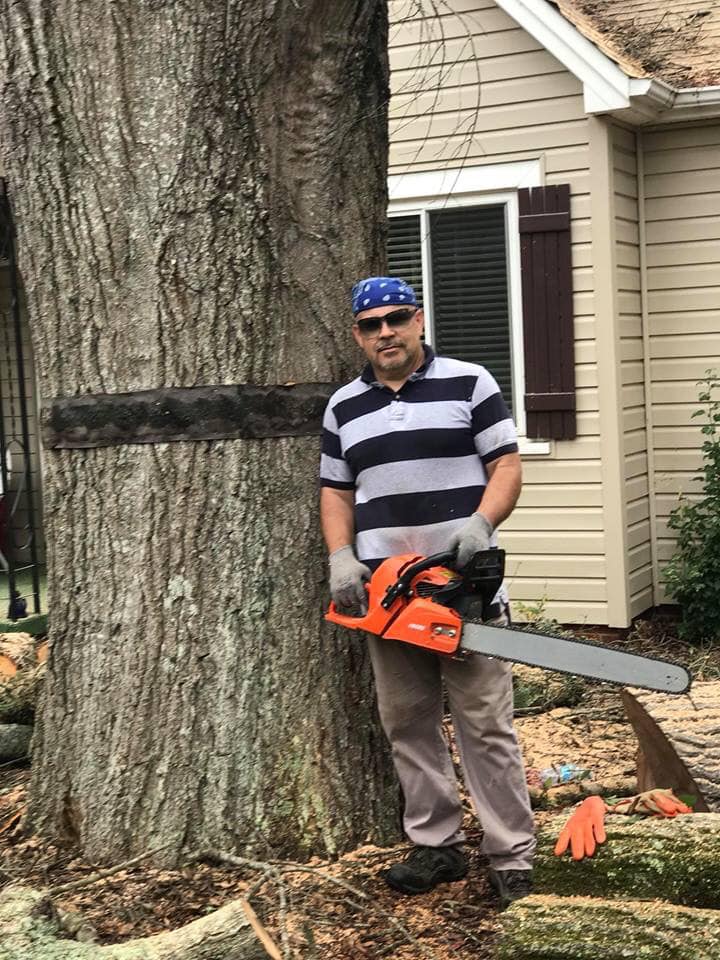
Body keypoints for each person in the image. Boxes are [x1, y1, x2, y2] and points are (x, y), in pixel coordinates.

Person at [319, 276, 535, 908]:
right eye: (370, 325)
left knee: (485, 723)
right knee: (407, 722)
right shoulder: (343, 407)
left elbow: (507, 465)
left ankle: (510, 853)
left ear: (417, 320)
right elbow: (335, 490)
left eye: (396, 319)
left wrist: (481, 522)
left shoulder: (470, 382)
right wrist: (341, 557)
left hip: (461, 586)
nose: (385, 332)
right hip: (388, 594)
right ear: (358, 335)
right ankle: (437, 845)